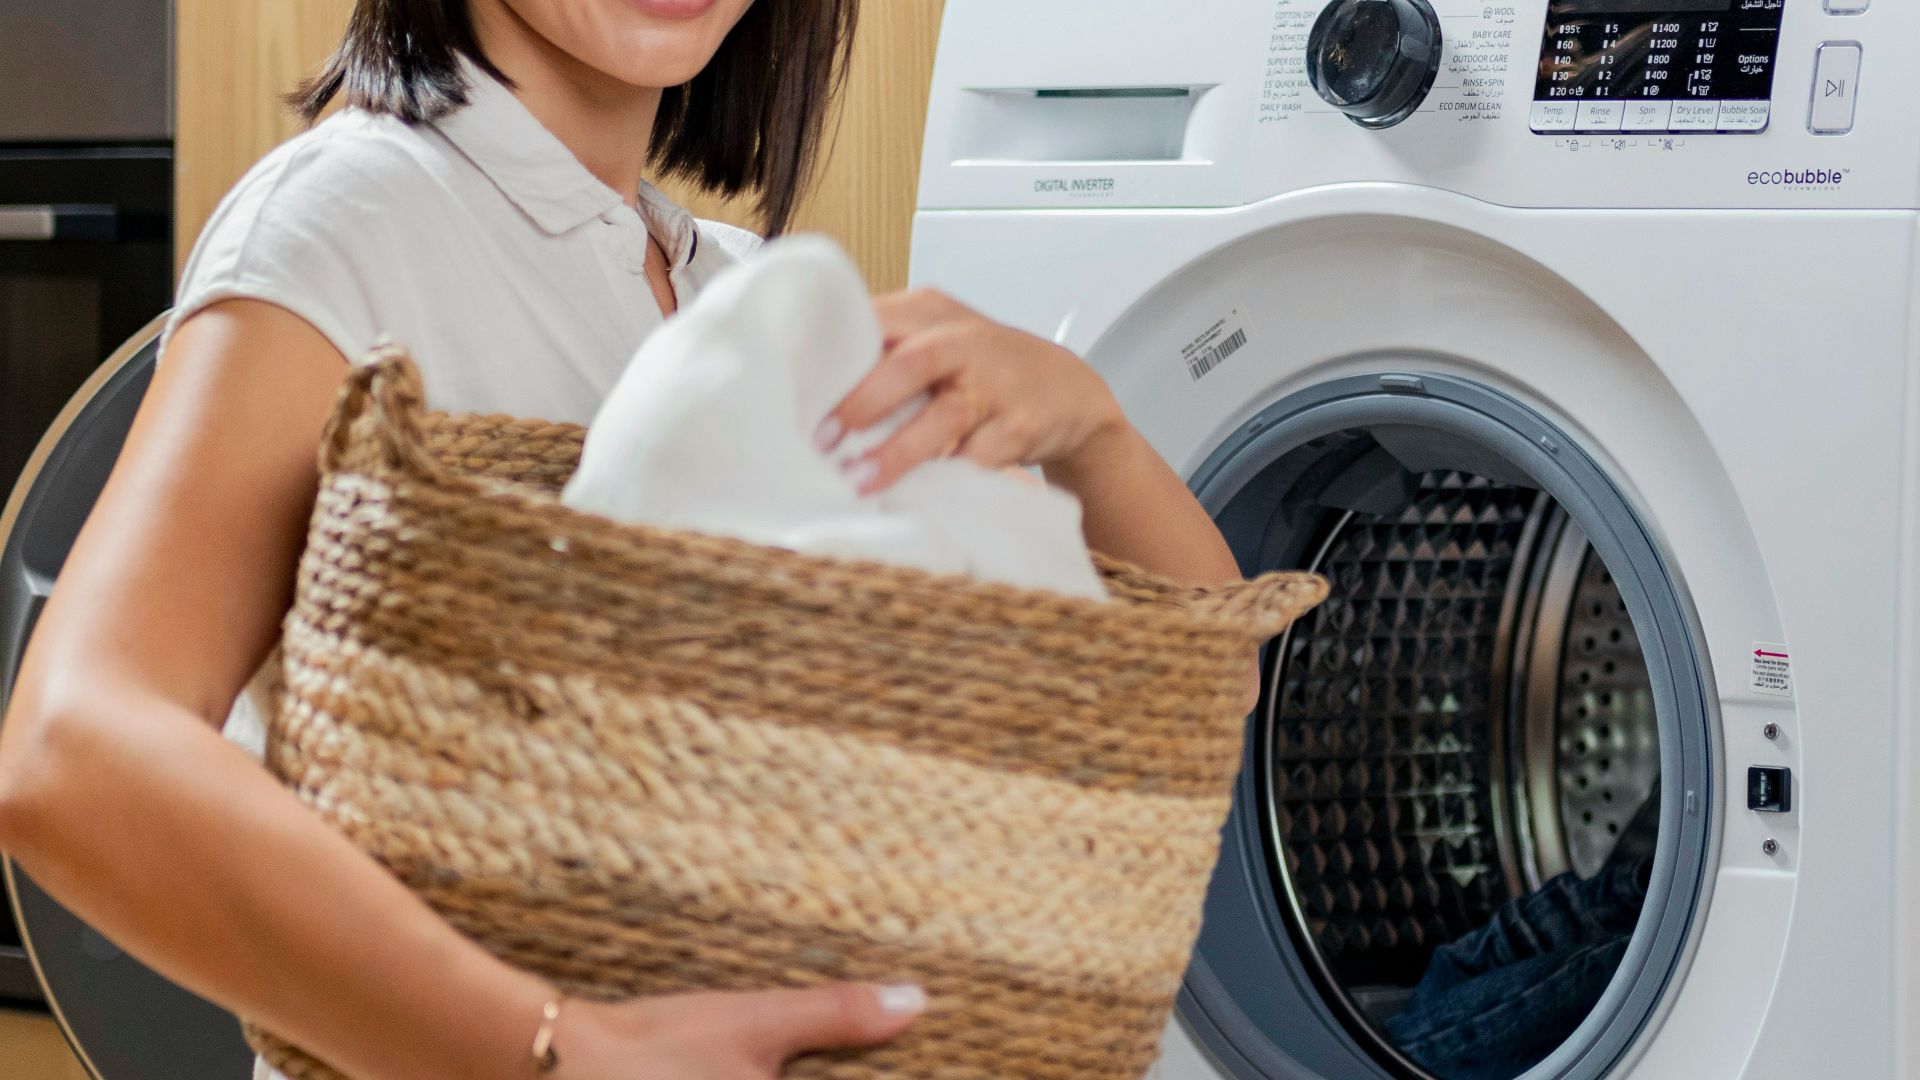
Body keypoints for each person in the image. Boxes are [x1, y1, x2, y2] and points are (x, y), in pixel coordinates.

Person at [0, 2, 1256, 1078]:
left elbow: (1190, 696)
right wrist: (553, 1051)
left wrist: (1093, 431)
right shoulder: (350, 216)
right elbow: (73, 749)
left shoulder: (742, 298)